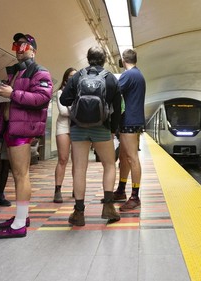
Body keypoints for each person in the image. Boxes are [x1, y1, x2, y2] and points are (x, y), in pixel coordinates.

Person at [0, 33, 53, 238]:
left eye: (24, 46)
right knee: (17, 175)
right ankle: (21, 216)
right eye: (16, 45)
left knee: (21, 174)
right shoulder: (15, 73)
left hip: (23, 130)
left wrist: (12, 94)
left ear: (33, 50)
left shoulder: (40, 72)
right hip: (11, 127)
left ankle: (19, 225)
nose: (19, 49)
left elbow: (42, 98)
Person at [60, 46, 122, 226]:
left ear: (88, 59)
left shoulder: (78, 76)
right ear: (104, 60)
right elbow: (118, 108)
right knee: (109, 165)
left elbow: (64, 100)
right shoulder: (110, 78)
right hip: (102, 128)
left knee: (80, 168)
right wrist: (113, 129)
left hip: (78, 127)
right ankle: (109, 208)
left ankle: (79, 213)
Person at [114, 49, 146, 211]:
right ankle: (121, 190)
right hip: (133, 120)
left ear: (123, 60)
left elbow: (114, 92)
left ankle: (135, 196)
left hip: (129, 121)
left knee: (132, 157)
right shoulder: (138, 74)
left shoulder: (128, 74)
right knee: (124, 156)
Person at [53, 67, 77, 203]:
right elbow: (62, 112)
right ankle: (57, 190)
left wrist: (71, 108)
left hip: (76, 127)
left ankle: (76, 188)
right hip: (63, 127)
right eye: (70, 76)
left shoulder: (80, 92)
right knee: (63, 159)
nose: (73, 78)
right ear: (66, 77)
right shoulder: (61, 92)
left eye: (75, 75)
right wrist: (76, 109)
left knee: (77, 161)